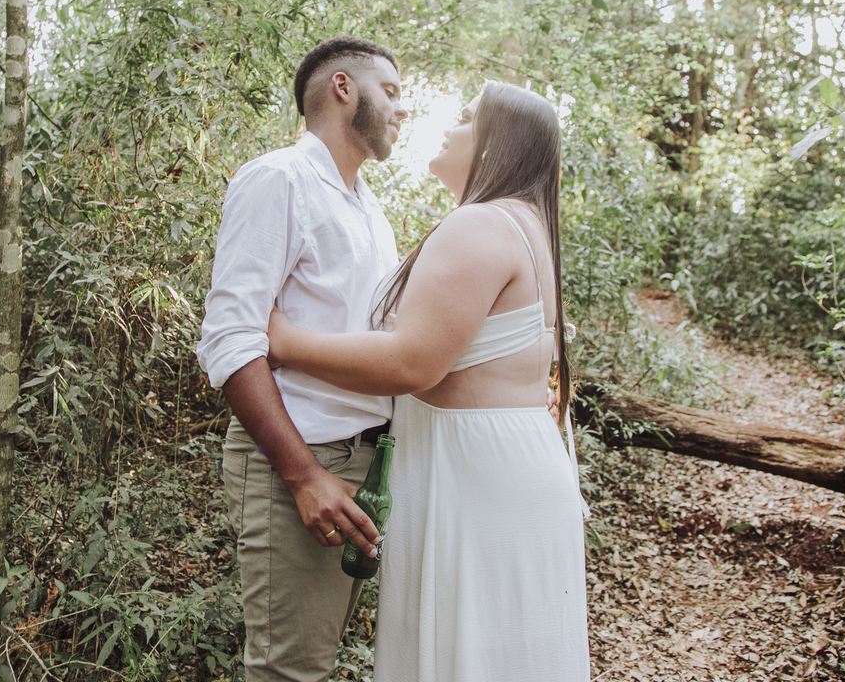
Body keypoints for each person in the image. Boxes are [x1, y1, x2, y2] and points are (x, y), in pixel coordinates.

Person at [267, 83, 590, 681]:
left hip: (473, 479)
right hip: (502, 467)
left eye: (465, 117)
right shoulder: (524, 224)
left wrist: (284, 340)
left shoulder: (480, 224)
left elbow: (411, 363)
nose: (448, 125)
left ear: (498, 144)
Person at [196, 36, 409, 682]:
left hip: (366, 464)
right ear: (343, 87)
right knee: (290, 671)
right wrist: (303, 476)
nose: (402, 109)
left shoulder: (369, 209)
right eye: (391, 91)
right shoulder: (279, 179)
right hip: (300, 458)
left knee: (314, 663)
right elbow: (231, 340)